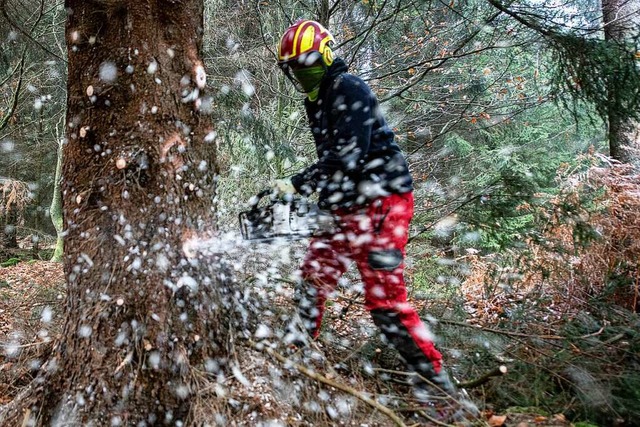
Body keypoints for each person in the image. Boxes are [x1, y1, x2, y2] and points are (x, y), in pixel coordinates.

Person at [273, 19, 456, 398]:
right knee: (313, 278)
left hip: (383, 201)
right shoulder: (318, 99)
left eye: (309, 63)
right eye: (296, 67)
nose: (303, 72)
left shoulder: (348, 87)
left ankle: (441, 392)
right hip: (346, 203)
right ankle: (293, 357)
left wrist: (297, 183)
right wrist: (321, 210)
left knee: (385, 304)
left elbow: (348, 157)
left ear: (325, 57)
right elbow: (335, 164)